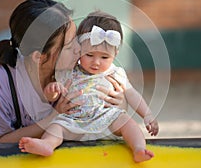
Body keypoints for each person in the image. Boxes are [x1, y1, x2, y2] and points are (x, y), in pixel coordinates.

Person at [0, 0, 125, 143]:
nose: (80, 50)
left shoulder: (81, 70)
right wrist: (53, 118)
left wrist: (118, 105)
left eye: (78, 41)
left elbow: (102, 119)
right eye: (70, 46)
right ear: (39, 56)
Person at [19, 11, 159, 163]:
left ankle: (138, 148)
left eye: (104, 57)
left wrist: (147, 115)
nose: (96, 62)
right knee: (56, 126)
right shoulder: (70, 71)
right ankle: (47, 145)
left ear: (116, 53)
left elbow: (132, 94)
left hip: (106, 118)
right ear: (80, 49)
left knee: (127, 122)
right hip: (74, 120)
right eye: (89, 55)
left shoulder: (116, 73)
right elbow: (52, 95)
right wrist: (52, 90)